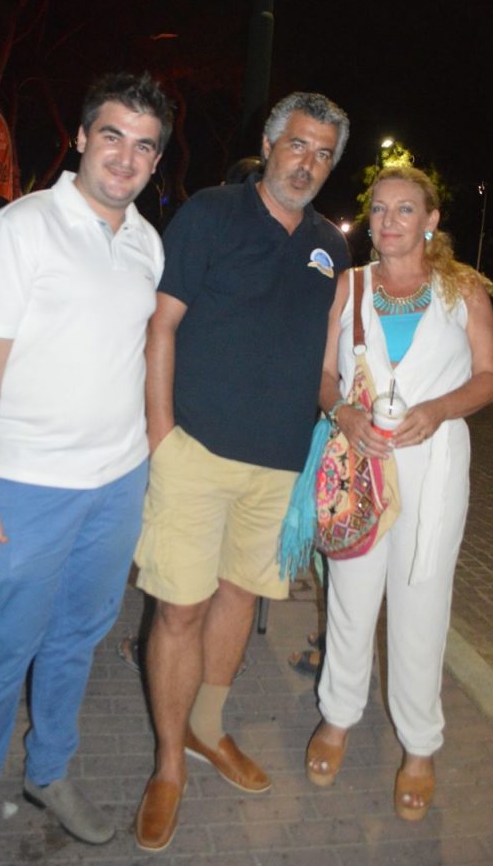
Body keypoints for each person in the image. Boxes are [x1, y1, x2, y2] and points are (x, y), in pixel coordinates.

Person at [0, 71, 173, 866]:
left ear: (155, 160)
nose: (125, 157)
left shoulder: (146, 243)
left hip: (117, 483)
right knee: (1, 652)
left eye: (143, 145)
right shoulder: (21, 228)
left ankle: (48, 773)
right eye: (111, 135)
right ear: (80, 138)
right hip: (26, 484)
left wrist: (150, 462)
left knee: (76, 639)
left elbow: (138, 354)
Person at [133, 90, 352, 851]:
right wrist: (161, 437)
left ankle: (207, 726)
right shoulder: (211, 213)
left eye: (323, 154)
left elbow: (324, 363)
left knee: (237, 598)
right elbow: (161, 325)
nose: (308, 163)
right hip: (194, 451)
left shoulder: (330, 248)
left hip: (277, 466)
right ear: (268, 144)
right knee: (179, 610)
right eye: (297, 145)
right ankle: (168, 765)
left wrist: (352, 416)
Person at [305, 165, 493, 821]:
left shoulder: (462, 290)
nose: (389, 221)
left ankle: (419, 746)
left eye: (405, 209)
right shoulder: (350, 285)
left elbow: (491, 377)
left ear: (430, 220)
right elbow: (322, 375)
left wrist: (441, 408)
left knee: (422, 602)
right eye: (379, 209)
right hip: (359, 462)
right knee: (350, 596)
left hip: (433, 464)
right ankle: (337, 716)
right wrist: (342, 413)